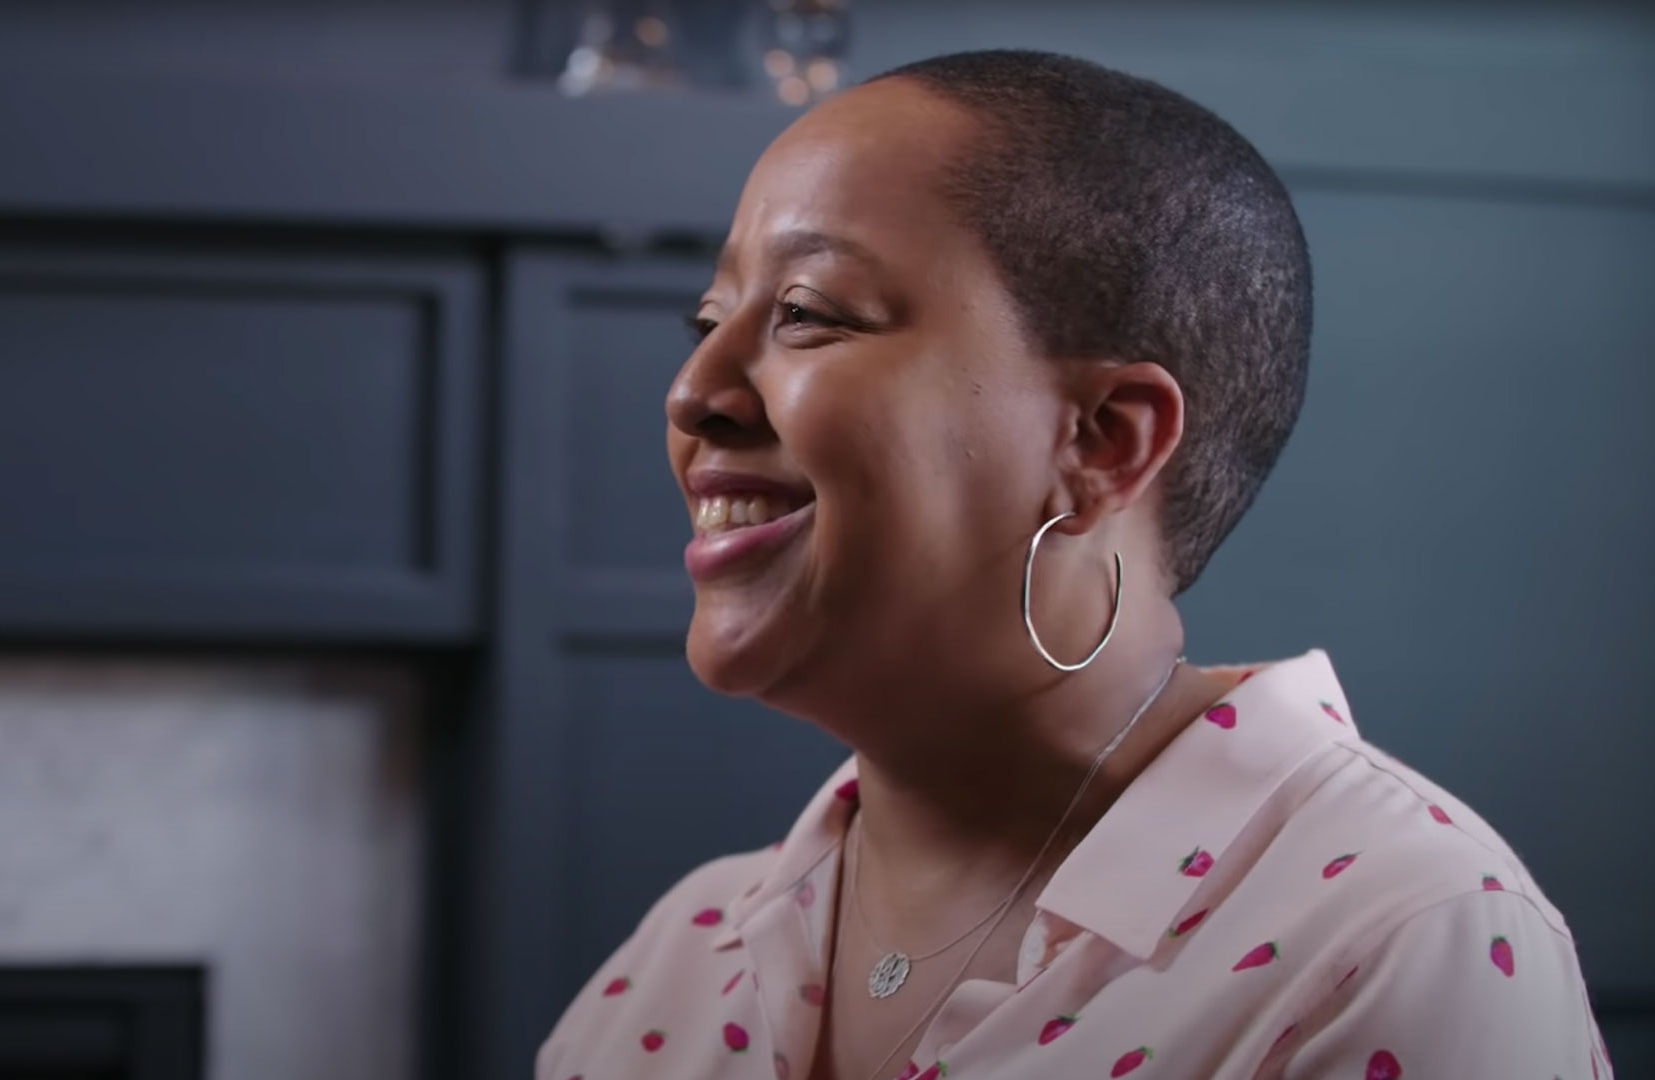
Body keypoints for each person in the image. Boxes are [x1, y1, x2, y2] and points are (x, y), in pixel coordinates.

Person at [536, 49, 1610, 1080]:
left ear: (1102, 441)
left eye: (806, 315)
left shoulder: (1393, 944)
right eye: (707, 321)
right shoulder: (674, 964)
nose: (691, 392)